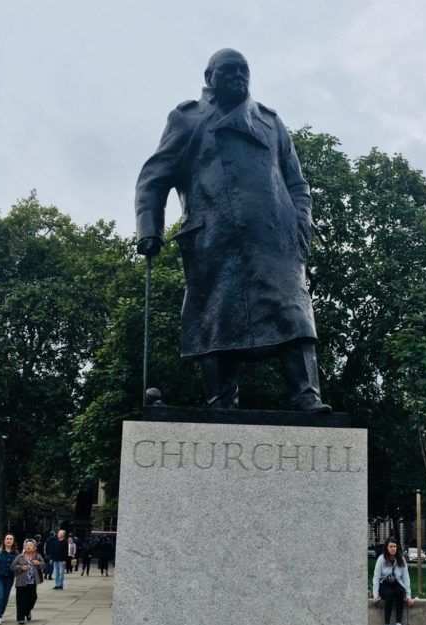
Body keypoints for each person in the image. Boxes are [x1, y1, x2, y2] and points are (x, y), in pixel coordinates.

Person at [135, 48, 329, 413]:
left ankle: (307, 396)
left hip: (276, 238)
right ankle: (221, 403)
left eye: (244, 70)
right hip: (214, 239)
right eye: (229, 71)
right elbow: (152, 179)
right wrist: (150, 228)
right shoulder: (187, 120)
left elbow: (296, 182)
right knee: (218, 320)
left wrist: (302, 223)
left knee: (294, 313)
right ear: (210, 78)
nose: (239, 76)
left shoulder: (271, 122)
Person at [370, 538, 414, 625]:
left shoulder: (401, 559)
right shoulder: (381, 559)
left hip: (396, 583)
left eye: (394, 546)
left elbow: (406, 577)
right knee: (390, 594)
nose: (393, 548)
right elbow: (376, 577)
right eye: (390, 546)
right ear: (387, 548)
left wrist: (408, 595)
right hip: (384, 584)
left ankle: (398, 624)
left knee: (399, 592)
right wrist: (375, 595)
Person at [11, 539, 44, 624]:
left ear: (34, 548)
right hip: (21, 582)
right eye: (27, 545)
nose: (28, 546)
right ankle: (21, 618)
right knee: (21, 600)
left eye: (31, 545)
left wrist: (38, 563)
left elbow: (44, 565)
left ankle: (27, 611)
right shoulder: (19, 556)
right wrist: (21, 568)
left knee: (33, 598)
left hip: (33, 582)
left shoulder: (37, 556)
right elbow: (12, 567)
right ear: (24, 547)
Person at [0, 534, 19, 625]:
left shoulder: (16, 553)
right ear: (4, 540)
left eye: (11, 539)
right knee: (1, 596)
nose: (9, 540)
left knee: (6, 597)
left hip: (9, 578)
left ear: (13, 541)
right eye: (7, 539)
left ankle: (1, 613)